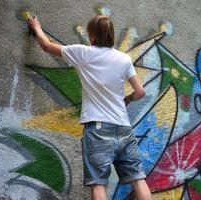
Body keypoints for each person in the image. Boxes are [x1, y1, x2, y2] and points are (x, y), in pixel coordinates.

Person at [28, 15, 152, 200]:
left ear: (91, 34)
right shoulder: (124, 59)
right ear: (111, 34)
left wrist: (37, 27)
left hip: (98, 130)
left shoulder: (82, 53)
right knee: (138, 179)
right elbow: (140, 92)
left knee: (98, 183)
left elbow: (47, 46)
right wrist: (127, 98)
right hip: (124, 128)